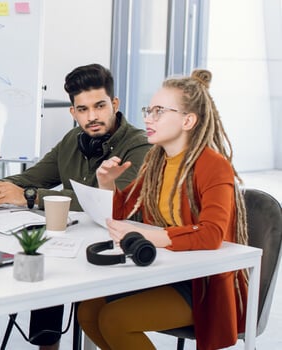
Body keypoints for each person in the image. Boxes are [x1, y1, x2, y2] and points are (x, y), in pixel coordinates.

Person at [0, 64, 151, 350]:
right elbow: (33, 177)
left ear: (115, 104)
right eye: (82, 109)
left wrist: (29, 196)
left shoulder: (138, 146)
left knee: (46, 266)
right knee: (0, 263)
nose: (92, 117)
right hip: (68, 244)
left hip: (114, 252)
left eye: (99, 106)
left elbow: (111, 200)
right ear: (73, 112)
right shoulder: (73, 140)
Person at [77, 69, 248, 350]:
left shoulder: (213, 165)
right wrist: (107, 184)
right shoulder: (157, 160)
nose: (147, 118)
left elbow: (211, 235)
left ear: (187, 120)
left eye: (158, 111)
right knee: (88, 312)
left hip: (200, 286)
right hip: (165, 271)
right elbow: (124, 212)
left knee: (115, 320)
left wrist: (151, 237)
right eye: (148, 110)